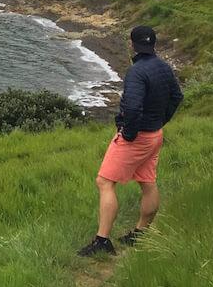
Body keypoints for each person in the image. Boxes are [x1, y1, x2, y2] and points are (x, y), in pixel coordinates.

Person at [78, 26, 183, 256]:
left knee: (104, 182)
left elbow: (133, 107)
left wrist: (128, 134)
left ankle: (102, 241)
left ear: (132, 44)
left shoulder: (137, 72)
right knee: (148, 182)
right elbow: (177, 96)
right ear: (153, 44)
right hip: (154, 135)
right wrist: (160, 120)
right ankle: (140, 233)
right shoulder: (163, 67)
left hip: (137, 137)